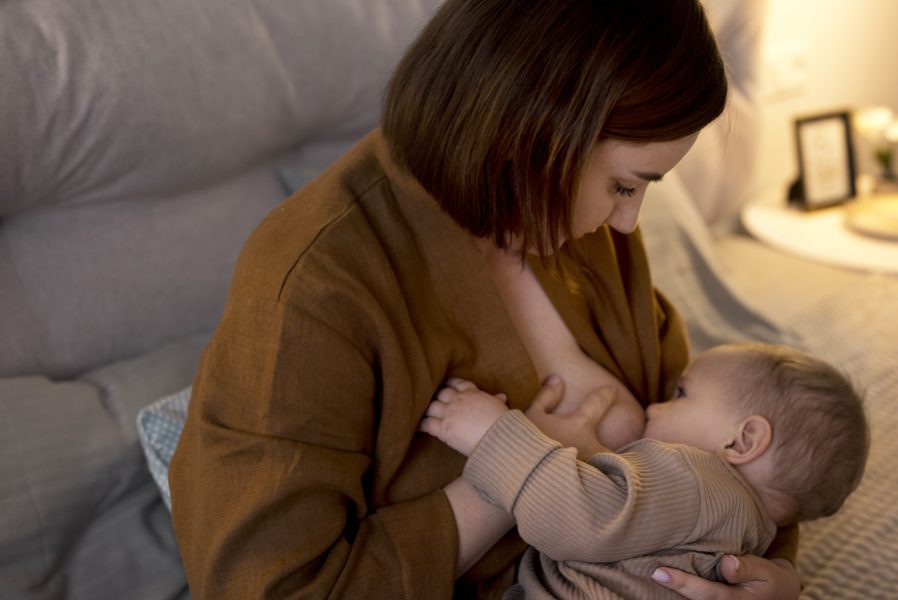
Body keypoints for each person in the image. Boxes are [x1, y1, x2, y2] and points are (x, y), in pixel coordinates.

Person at [168, 0, 802, 597]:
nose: (628, 224)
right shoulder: (313, 285)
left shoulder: (573, 223)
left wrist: (764, 572)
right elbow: (267, 585)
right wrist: (514, 472)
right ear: (539, 130)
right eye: (623, 185)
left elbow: (726, 449)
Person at [421, 341, 870, 599]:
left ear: (743, 441)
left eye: (681, 394)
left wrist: (492, 434)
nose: (654, 406)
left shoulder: (696, 477)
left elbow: (585, 519)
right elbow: (632, 517)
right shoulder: (749, 535)